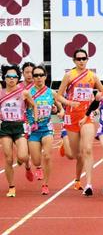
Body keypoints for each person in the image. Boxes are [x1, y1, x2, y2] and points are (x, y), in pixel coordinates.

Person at [57, 49, 103, 196]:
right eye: (79, 59)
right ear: (74, 60)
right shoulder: (69, 76)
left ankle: (88, 184)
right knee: (75, 155)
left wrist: (97, 103)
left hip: (86, 116)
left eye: (84, 58)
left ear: (87, 59)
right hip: (71, 116)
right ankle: (65, 146)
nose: (81, 61)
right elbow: (58, 96)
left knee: (87, 150)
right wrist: (69, 102)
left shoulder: (93, 76)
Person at [0, 65, 37, 197]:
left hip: (19, 126)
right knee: (8, 158)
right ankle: (11, 187)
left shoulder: (24, 93)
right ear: (4, 78)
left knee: (22, 156)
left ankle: (27, 165)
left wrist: (35, 121)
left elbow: (33, 105)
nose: (11, 79)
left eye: (14, 77)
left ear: (18, 78)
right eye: (8, 77)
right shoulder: (1, 93)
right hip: (5, 127)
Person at [27, 66, 64, 195]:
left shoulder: (51, 92)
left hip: (47, 128)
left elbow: (60, 106)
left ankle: (45, 184)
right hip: (33, 130)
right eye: (36, 75)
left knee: (47, 156)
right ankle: (37, 167)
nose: (38, 78)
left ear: (45, 76)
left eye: (41, 75)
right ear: (32, 77)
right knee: (37, 160)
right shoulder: (28, 93)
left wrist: (59, 111)